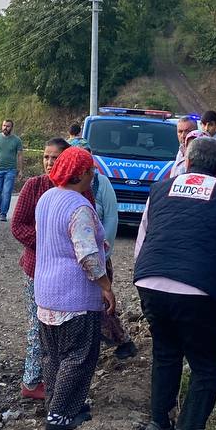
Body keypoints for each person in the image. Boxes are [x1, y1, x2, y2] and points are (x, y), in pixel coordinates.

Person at [134, 137, 216, 430]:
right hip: (199, 290)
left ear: (187, 163)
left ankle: (158, 426)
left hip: (151, 282)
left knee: (166, 353)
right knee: (205, 364)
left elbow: (142, 242)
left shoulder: (159, 189)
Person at [33, 146, 116, 430]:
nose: (93, 176)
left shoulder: (47, 198)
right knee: (77, 356)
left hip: (46, 292)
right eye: (91, 171)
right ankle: (60, 416)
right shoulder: (79, 207)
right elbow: (88, 257)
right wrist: (106, 286)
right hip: (74, 296)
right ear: (81, 173)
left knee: (52, 355)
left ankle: (56, 405)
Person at [11, 138, 77, 400]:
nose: (50, 163)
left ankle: (56, 376)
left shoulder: (78, 188)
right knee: (37, 325)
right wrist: (48, 243)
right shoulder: (34, 186)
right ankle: (31, 380)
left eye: (56, 158)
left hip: (67, 273)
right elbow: (18, 226)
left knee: (64, 327)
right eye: (46, 157)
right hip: (36, 268)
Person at [86, 143, 137, 360]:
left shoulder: (100, 183)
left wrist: (104, 250)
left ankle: (121, 341)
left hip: (97, 255)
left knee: (101, 304)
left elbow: (111, 217)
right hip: (75, 258)